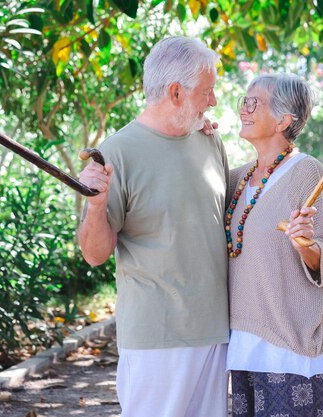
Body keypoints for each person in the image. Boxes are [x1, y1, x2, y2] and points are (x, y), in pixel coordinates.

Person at [77, 36, 229, 417]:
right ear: (176, 92)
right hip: (156, 338)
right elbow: (94, 255)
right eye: (206, 92)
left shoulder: (210, 141)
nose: (212, 101)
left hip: (214, 330)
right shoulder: (117, 152)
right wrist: (95, 207)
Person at [226, 73, 323, 416]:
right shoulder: (237, 177)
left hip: (288, 347)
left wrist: (303, 243)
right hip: (243, 344)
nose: (243, 110)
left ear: (283, 120)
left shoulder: (307, 172)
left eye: (253, 102)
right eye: (243, 101)